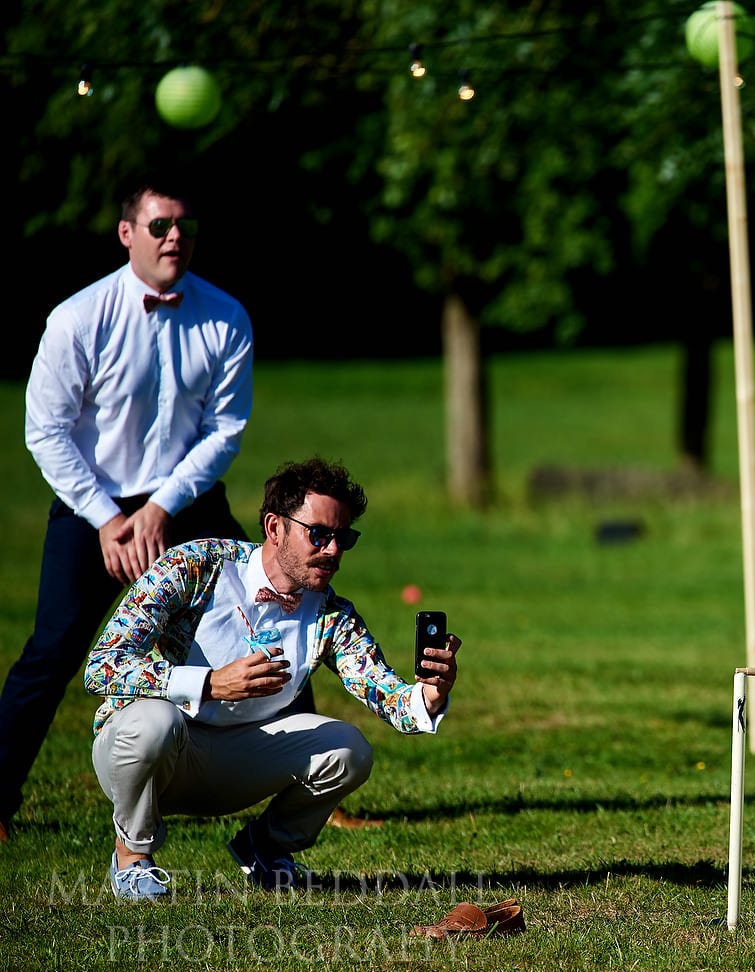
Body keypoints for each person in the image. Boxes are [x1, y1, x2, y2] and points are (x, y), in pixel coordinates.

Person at [0, 175, 253, 844]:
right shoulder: (79, 316)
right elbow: (45, 431)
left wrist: (164, 507)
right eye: (161, 225)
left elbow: (225, 429)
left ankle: (301, 777)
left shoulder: (225, 315)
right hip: (95, 504)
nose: (176, 237)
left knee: (264, 608)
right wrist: (110, 519)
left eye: (186, 227)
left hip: (187, 501)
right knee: (52, 651)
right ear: (127, 233)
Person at [83, 457, 461, 898]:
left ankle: (265, 849)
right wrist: (207, 683)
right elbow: (103, 664)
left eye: (344, 538)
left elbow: (385, 692)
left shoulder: (331, 616)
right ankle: (131, 857)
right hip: (148, 752)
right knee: (154, 724)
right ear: (275, 527)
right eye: (319, 534)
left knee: (350, 749)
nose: (334, 551)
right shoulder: (194, 566)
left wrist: (429, 697)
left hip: (236, 760)